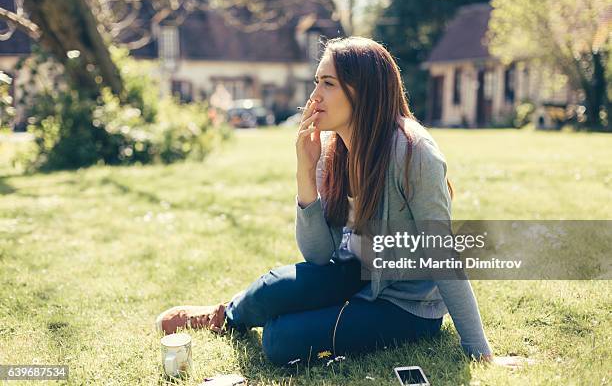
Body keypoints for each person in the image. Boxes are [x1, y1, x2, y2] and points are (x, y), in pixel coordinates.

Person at [156, 37, 502, 367]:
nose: (314, 96)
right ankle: (225, 317)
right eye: (316, 82)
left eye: (328, 84)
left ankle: (282, 318)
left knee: (279, 341)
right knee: (269, 290)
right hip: (352, 274)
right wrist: (305, 172)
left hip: (404, 304)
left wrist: (478, 349)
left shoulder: (414, 154)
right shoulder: (330, 149)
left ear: (362, 91)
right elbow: (319, 255)